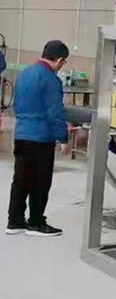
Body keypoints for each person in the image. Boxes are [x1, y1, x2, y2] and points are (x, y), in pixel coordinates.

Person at [6, 39, 70, 237]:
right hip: (41, 138)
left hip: (21, 134)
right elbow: (55, 111)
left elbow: (16, 105)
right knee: (40, 181)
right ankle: (35, 223)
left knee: (21, 179)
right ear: (59, 60)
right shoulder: (51, 79)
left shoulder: (24, 74)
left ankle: (15, 222)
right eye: (63, 62)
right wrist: (63, 138)